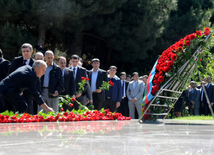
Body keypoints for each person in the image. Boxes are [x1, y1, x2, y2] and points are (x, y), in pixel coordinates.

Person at [8, 43, 35, 114]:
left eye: (27, 51)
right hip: (17, 93)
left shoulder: (34, 63)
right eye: (23, 51)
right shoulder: (16, 61)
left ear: (31, 51)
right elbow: (10, 76)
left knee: (29, 114)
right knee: (17, 114)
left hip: (29, 93)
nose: (25, 53)